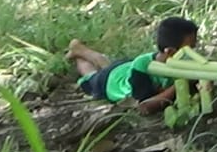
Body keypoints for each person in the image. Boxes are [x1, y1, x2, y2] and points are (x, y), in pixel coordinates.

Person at [66, 16, 200, 115]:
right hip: (109, 83)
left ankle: (80, 49)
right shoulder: (143, 67)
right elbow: (144, 106)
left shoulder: (167, 59)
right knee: (92, 75)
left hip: (125, 69)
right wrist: (179, 86)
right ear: (170, 52)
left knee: (107, 65)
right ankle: (78, 54)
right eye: (190, 50)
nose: (193, 54)